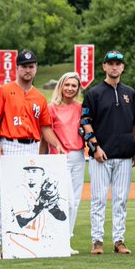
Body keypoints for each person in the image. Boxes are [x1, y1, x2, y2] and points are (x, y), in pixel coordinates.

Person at [0, 50, 63, 261]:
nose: (28, 69)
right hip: (8, 144)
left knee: (31, 197)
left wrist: (57, 145)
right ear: (17, 68)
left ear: (36, 68)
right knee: (2, 196)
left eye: (32, 66)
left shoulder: (39, 97)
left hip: (31, 148)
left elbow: (45, 128)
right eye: (25, 66)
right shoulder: (5, 90)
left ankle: (23, 243)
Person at [81, 50, 135, 256]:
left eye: (118, 63)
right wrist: (95, 148)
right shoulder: (94, 93)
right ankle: (97, 240)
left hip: (124, 154)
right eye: (111, 63)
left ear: (123, 67)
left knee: (121, 199)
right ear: (104, 66)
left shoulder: (129, 93)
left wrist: (134, 148)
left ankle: (119, 240)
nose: (115, 67)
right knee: (98, 198)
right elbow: (85, 123)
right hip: (101, 155)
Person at [47, 71, 86, 255]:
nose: (70, 88)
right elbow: (45, 133)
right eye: (67, 85)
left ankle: (66, 239)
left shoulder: (81, 107)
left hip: (78, 156)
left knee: (75, 201)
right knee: (65, 201)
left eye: (74, 86)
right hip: (59, 157)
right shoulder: (52, 108)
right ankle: (58, 238)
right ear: (61, 86)